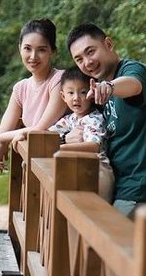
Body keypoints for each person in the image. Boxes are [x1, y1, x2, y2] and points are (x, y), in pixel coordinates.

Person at [66, 23, 146, 218]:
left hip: (141, 189)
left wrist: (109, 87)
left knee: (99, 242)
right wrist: (70, 136)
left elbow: (133, 85)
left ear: (108, 44)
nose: (87, 62)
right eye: (79, 59)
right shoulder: (95, 92)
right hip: (117, 188)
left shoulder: (133, 70)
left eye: (90, 52)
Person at [0, 19, 67, 216]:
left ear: (53, 51)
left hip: (60, 173)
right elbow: (0, 133)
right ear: (19, 48)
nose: (33, 56)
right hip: (36, 173)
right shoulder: (21, 88)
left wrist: (5, 138)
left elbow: (40, 128)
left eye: (42, 50)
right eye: (27, 48)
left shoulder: (60, 81)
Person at [48, 66, 114, 201]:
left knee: (95, 211)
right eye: (71, 93)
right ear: (63, 96)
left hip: (97, 168)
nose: (76, 98)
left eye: (83, 92)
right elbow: (49, 136)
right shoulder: (68, 120)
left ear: (92, 94)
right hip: (75, 166)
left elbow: (93, 146)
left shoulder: (94, 118)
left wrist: (59, 148)